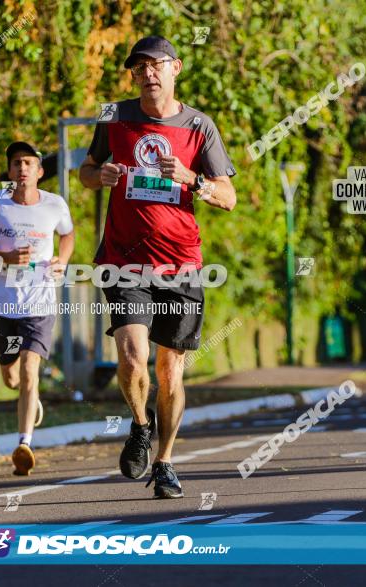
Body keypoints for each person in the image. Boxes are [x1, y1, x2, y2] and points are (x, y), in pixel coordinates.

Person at [79, 36, 237, 498]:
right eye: (139, 67)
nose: (147, 73)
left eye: (156, 65)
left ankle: (165, 461)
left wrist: (192, 180)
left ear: (176, 69)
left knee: (170, 371)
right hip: (125, 259)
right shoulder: (114, 116)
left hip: (182, 262)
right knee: (131, 356)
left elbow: (228, 197)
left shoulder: (199, 127)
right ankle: (140, 425)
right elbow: (86, 170)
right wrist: (97, 177)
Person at [0, 141, 75, 475]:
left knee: (29, 372)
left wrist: (63, 260)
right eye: (15, 163)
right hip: (1, 304)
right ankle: (31, 398)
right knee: (12, 378)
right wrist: (4, 258)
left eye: (28, 163)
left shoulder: (55, 204)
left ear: (40, 171)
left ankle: (24, 445)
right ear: (9, 172)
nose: (21, 168)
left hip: (39, 303)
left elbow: (68, 235)